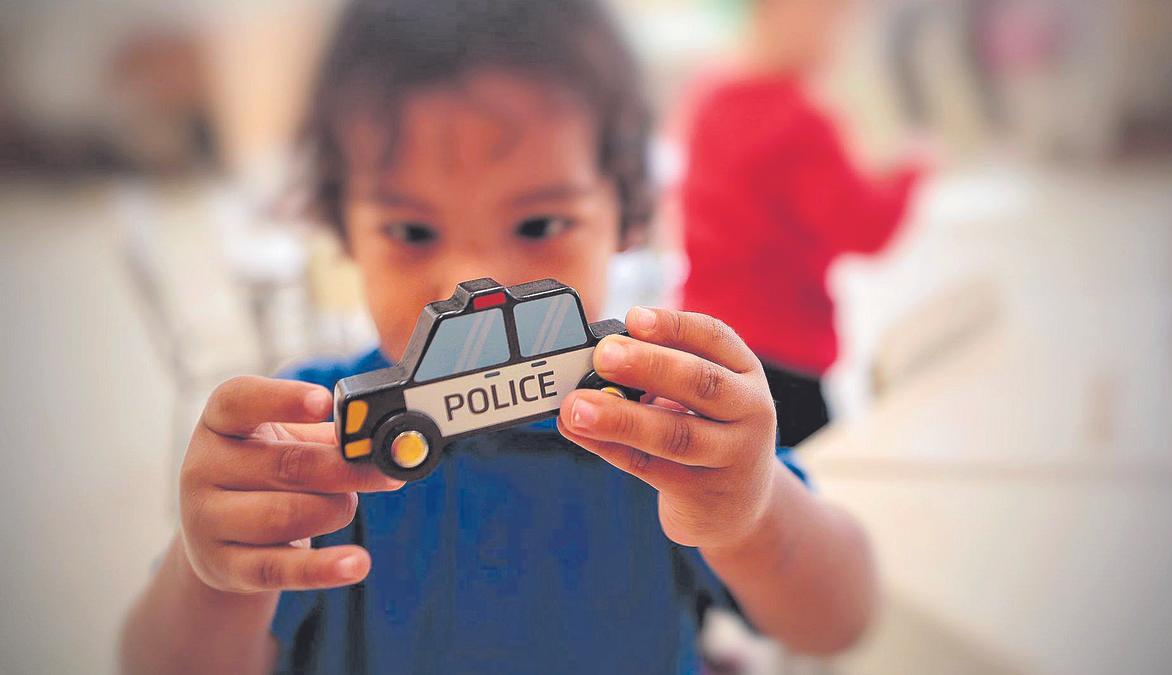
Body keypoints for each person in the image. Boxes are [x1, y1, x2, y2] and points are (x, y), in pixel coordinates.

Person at [120, 1, 876, 672]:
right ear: (344, 233)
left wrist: (750, 512)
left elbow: (840, 616)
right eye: (412, 230)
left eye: (541, 224)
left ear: (629, 220)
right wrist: (215, 573)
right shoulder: (311, 443)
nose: (469, 284)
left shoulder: (665, 422)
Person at [680, 0, 926, 446]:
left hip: (708, 341)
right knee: (812, 482)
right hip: (783, 355)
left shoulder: (710, 94)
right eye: (835, 20)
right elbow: (866, 230)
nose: (840, 41)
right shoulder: (800, 120)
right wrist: (912, 169)